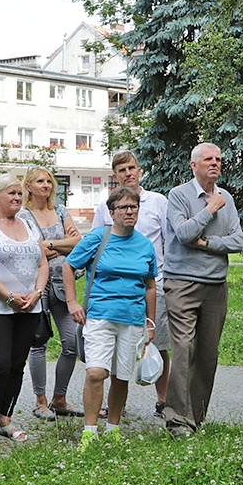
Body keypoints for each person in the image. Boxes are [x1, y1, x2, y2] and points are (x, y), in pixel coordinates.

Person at [161, 143, 243, 437]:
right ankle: (177, 421)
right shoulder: (179, 195)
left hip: (215, 285)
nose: (215, 163)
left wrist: (209, 244)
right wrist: (209, 210)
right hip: (181, 282)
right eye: (208, 159)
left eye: (219, 159)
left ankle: (195, 417)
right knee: (184, 349)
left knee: (208, 354)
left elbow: (237, 241)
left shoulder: (228, 198)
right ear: (193, 165)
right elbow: (183, 234)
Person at [65, 187, 156, 450]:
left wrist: (150, 322)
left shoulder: (144, 244)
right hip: (100, 316)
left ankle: (113, 429)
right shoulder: (98, 238)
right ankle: (89, 433)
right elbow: (70, 266)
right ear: (112, 212)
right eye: (124, 207)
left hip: (132, 319)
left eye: (134, 207)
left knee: (121, 376)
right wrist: (72, 302)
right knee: (95, 372)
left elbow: (150, 285)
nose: (130, 211)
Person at [0, 173, 48, 455]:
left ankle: (6, 419)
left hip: (30, 306)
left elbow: (42, 264)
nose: (17, 198)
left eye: (19, 194)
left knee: (17, 365)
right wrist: (9, 296)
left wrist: (37, 293)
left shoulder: (29, 225)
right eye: (11, 193)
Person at [92, 150, 171, 417]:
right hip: (113, 289)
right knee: (115, 346)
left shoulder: (158, 201)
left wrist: (165, 277)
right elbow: (95, 243)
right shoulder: (106, 206)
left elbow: (170, 241)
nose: (128, 173)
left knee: (157, 342)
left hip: (152, 282)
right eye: (122, 169)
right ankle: (116, 407)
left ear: (139, 171)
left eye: (132, 168)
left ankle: (163, 401)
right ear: (115, 176)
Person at [17, 166, 82, 420]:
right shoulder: (23, 216)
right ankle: (40, 400)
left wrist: (49, 245)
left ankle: (60, 399)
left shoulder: (62, 210)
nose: (46, 185)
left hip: (63, 283)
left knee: (71, 343)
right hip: (38, 284)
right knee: (38, 343)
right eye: (40, 181)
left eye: (49, 181)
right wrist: (58, 247)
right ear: (29, 186)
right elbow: (31, 251)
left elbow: (78, 242)